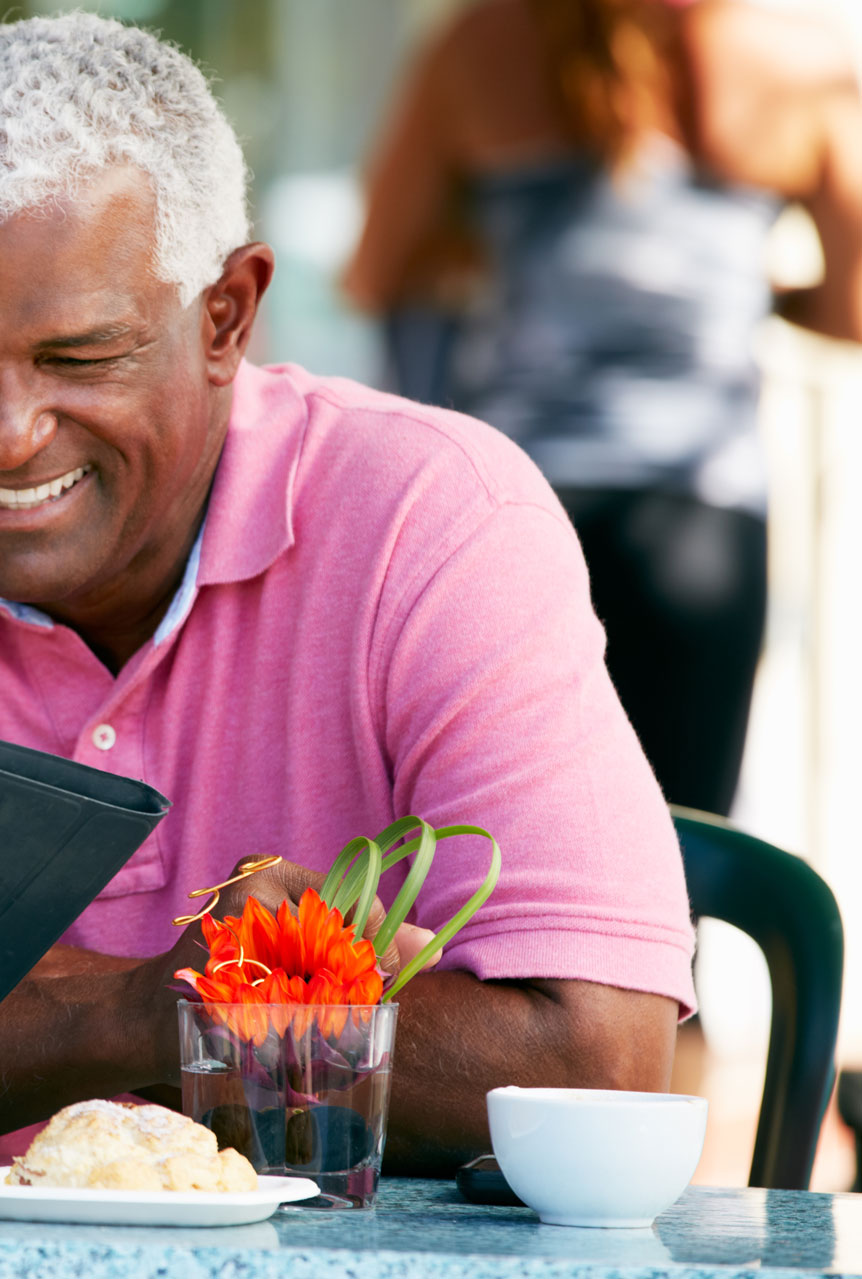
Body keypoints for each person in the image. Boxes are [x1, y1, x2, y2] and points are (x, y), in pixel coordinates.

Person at [0, 12, 695, 1173]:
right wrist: (167, 1000)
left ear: (226, 315)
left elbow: (598, 1063)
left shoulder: (433, 518)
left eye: (79, 358)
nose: (6, 434)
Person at [344, 0, 862, 816]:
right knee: (682, 857)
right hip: (704, 527)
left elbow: (375, 271)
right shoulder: (797, 62)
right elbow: (852, 306)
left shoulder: (482, 41)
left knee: (498, 855)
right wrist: (745, 298)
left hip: (514, 514)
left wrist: (489, 253)